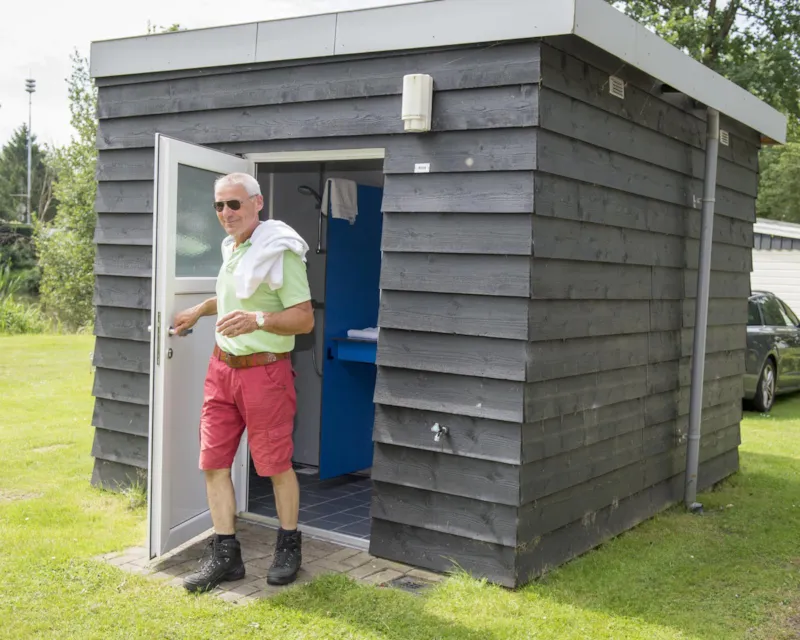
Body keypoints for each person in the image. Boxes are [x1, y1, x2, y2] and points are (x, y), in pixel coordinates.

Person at [172, 172, 314, 593]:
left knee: (274, 465)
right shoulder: (232, 248)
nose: (226, 213)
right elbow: (234, 295)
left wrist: (259, 320)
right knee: (213, 462)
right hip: (222, 370)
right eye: (219, 205)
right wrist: (199, 309)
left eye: (234, 204)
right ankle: (226, 556)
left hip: (265, 371)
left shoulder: (280, 252)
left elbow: (304, 318)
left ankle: (288, 546)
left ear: (258, 203)